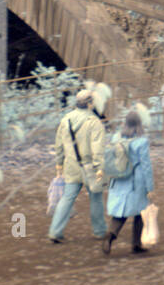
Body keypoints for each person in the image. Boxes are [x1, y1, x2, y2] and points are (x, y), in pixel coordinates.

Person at [48, 89, 110, 243]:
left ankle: (55, 231)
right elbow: (98, 148)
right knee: (96, 198)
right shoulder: (94, 122)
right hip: (90, 167)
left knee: (67, 197)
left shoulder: (66, 120)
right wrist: (100, 167)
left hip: (71, 165)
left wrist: (59, 163)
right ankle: (100, 230)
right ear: (90, 104)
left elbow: (59, 144)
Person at [103, 108, 156, 255]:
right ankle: (136, 244)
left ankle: (110, 235)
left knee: (120, 213)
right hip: (135, 181)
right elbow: (146, 166)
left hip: (119, 178)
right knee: (140, 211)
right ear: (139, 124)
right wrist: (150, 187)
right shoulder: (142, 142)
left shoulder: (116, 137)